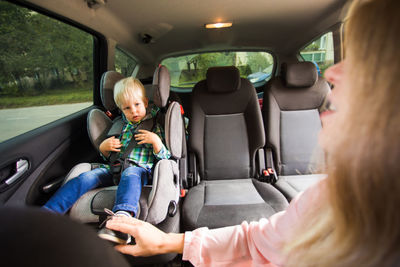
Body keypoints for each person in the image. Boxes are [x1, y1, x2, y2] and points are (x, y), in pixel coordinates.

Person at [105, 0, 400, 266]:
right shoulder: (331, 198)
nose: (331, 74)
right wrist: (166, 242)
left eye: (365, 56)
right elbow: (256, 241)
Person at [43, 77, 171, 244]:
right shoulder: (119, 126)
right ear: (121, 109)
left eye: (137, 104)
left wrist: (156, 142)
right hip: (114, 169)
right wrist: (104, 148)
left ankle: (122, 220)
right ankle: (48, 214)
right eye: (127, 107)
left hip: (140, 170)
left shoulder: (155, 126)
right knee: (85, 177)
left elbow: (166, 157)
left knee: (130, 173)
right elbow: (109, 157)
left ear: (145, 102)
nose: (133, 111)